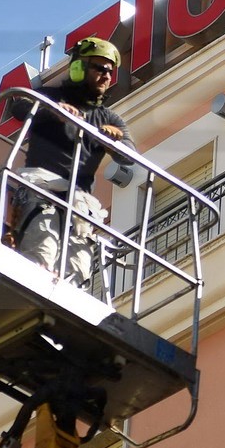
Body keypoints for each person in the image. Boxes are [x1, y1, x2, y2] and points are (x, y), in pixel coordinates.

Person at [10, 37, 136, 286]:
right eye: (100, 68)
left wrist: (113, 141)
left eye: (110, 71)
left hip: (79, 202)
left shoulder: (109, 119)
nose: (106, 76)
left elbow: (129, 156)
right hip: (42, 188)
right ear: (78, 68)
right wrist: (54, 110)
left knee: (77, 268)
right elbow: (20, 106)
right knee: (42, 251)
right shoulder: (50, 96)